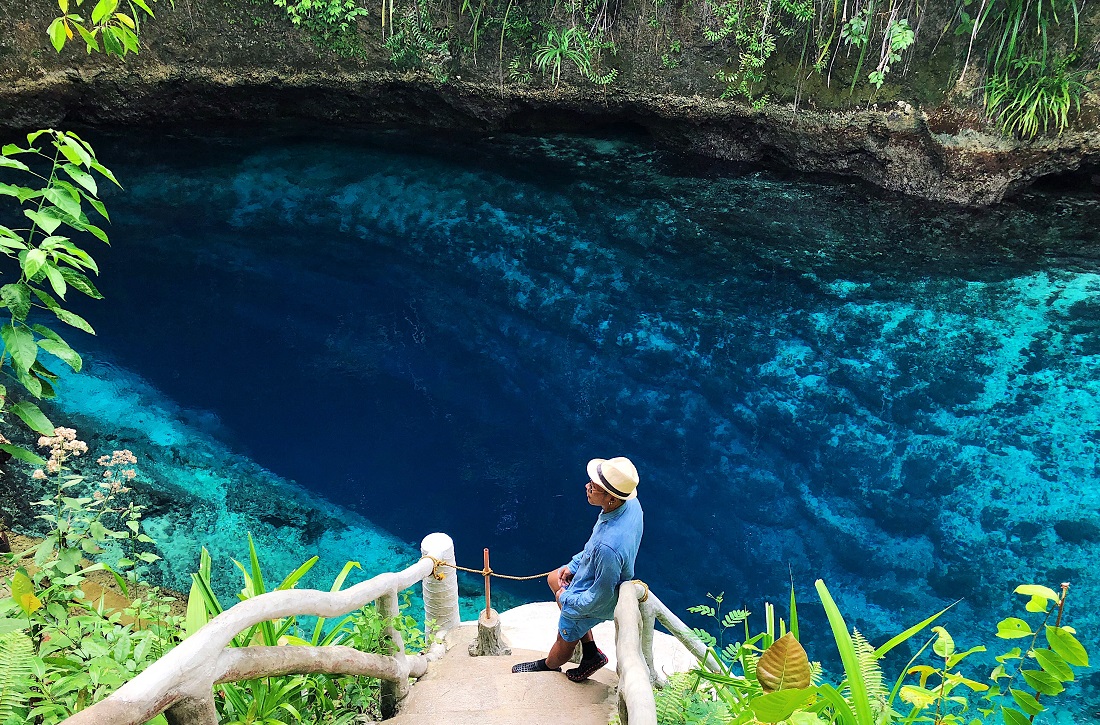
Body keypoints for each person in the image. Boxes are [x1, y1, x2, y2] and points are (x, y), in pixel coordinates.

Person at [512, 456, 644, 682]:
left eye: (593, 486)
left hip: (599, 596)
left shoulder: (609, 548)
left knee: (564, 636)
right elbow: (594, 544)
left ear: (611, 497)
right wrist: (573, 566)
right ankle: (591, 653)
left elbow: (601, 595)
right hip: (595, 575)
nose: (587, 487)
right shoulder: (629, 503)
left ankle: (549, 666)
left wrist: (568, 601)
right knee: (555, 578)